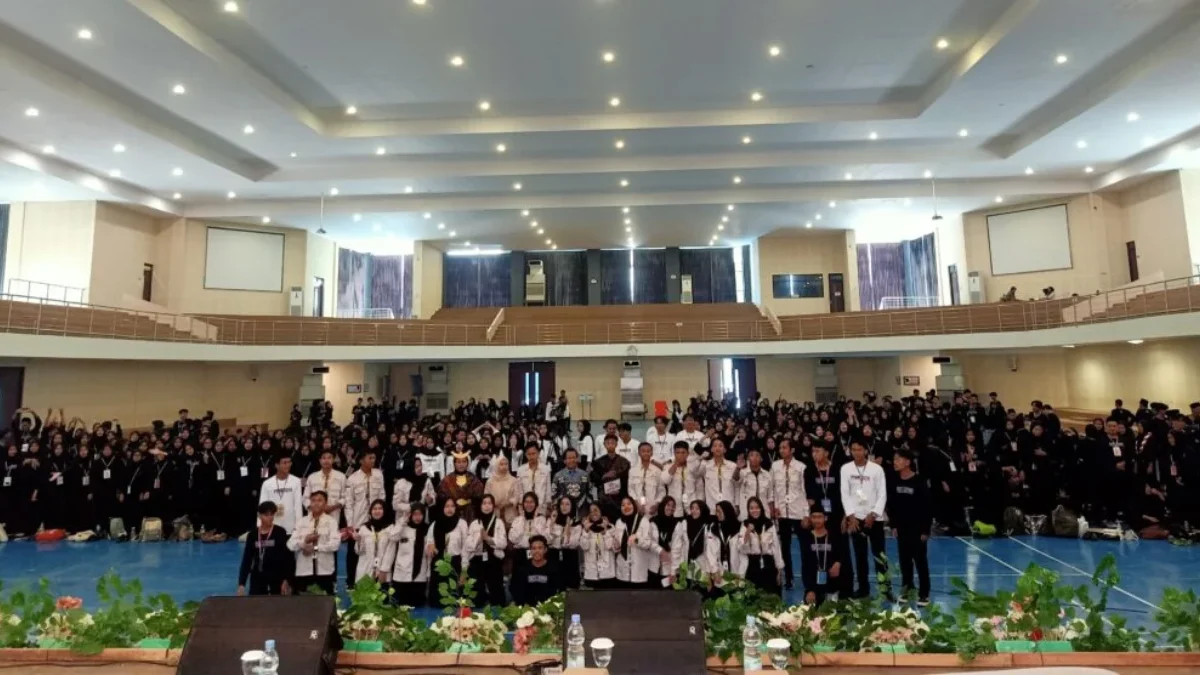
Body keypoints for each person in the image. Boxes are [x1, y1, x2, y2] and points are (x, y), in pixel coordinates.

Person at [840, 440, 890, 599]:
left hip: (874, 518)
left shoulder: (877, 469)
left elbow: (882, 493)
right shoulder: (846, 469)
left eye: (859, 449)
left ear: (866, 450)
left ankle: (885, 589)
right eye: (853, 449)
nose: (856, 452)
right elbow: (845, 493)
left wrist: (874, 514)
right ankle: (863, 588)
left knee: (879, 555)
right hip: (856, 518)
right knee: (860, 556)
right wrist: (850, 516)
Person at [345, 450, 386, 589]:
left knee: (375, 549)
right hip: (358, 520)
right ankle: (351, 581)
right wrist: (350, 524)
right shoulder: (352, 479)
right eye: (370, 458)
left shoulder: (379, 475)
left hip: (376, 518)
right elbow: (349, 503)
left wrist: (381, 514)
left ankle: (375, 578)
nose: (373, 460)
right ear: (361, 460)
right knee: (354, 552)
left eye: (374, 458)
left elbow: (382, 495)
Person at [771, 439, 808, 591]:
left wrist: (806, 514)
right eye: (780, 447)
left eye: (784, 447)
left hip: (798, 512)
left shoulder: (801, 467)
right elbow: (772, 489)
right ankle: (789, 577)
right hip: (782, 513)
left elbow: (805, 491)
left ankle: (807, 576)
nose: (781, 450)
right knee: (784, 547)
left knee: (805, 547)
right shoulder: (775, 466)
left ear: (792, 450)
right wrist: (774, 506)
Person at [288, 490, 340, 595]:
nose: (316, 503)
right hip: (303, 571)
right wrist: (304, 542)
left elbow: (335, 545)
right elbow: (290, 544)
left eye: (320, 500)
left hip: (325, 571)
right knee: (303, 605)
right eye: (313, 500)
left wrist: (315, 548)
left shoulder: (331, 522)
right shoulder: (301, 522)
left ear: (325, 503)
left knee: (326, 606)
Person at [238, 501, 293, 596]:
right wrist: (242, 584)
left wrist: (287, 579)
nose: (270, 518)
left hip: (276, 577)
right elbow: (247, 559)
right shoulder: (253, 535)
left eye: (272, 514)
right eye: (266, 515)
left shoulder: (280, 532)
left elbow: (287, 558)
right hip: (258, 576)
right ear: (259, 515)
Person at [385, 503, 432, 607]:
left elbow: (429, 551)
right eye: (414, 514)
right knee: (399, 605)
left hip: (419, 576)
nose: (417, 517)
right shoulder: (403, 527)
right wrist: (402, 520)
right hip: (402, 574)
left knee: (418, 605)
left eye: (420, 514)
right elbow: (392, 537)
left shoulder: (428, 529)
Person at [466, 494, 508, 607]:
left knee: (497, 599)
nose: (487, 506)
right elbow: (468, 545)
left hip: (494, 559)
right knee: (476, 600)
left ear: (493, 506)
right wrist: (479, 540)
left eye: (489, 503)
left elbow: (503, 543)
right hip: (478, 559)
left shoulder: (499, 522)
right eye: (484, 503)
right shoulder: (474, 524)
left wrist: (488, 539)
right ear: (480, 506)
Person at [427, 496, 469, 606]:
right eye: (446, 506)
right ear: (442, 508)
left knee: (453, 603)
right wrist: (430, 546)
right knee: (437, 602)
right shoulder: (435, 524)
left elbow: (466, 548)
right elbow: (429, 541)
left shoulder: (461, 524)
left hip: (455, 564)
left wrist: (464, 571)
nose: (450, 509)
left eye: (452, 506)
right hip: (439, 564)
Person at [800, 504, 845, 607]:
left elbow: (842, 554)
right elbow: (805, 565)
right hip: (814, 585)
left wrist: (838, 563)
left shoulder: (834, 536)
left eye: (819, 517)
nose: (817, 520)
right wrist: (809, 589)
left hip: (831, 583)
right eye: (814, 517)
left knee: (833, 613)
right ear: (810, 519)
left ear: (825, 518)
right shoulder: (806, 538)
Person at [740, 496, 784, 595]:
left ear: (761, 508)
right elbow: (741, 548)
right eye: (751, 508)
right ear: (748, 510)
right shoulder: (745, 525)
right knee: (753, 599)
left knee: (770, 597)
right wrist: (747, 532)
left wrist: (779, 570)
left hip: (768, 565)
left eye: (757, 507)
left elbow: (776, 547)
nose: (754, 510)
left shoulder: (769, 524)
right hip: (752, 566)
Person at [510, 535, 562, 606]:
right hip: (527, 608)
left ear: (545, 550)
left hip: (548, 607)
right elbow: (515, 589)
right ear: (530, 550)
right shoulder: (522, 568)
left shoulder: (554, 568)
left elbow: (558, 589)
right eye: (534, 548)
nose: (537, 551)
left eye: (540, 548)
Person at [614, 495, 651, 588]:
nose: (626, 507)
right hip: (622, 572)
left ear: (634, 505)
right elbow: (616, 544)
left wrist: (637, 540)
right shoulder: (619, 522)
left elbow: (648, 544)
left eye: (629, 504)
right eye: (623, 505)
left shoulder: (643, 521)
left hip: (638, 572)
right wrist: (615, 546)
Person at [259, 455, 303, 534]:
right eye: (284, 463)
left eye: (289, 462)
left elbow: (298, 505)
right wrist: (260, 526)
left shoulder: (296, 481)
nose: (288, 465)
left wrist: (299, 526)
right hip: (272, 525)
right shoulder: (267, 483)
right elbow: (262, 507)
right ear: (277, 465)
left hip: (291, 525)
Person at [354, 499, 394, 584]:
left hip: (382, 572)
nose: (377, 511)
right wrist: (358, 541)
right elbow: (359, 552)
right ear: (370, 511)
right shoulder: (364, 528)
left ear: (385, 511)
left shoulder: (390, 528)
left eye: (380, 508)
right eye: (374, 509)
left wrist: (383, 570)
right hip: (365, 571)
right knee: (364, 596)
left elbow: (390, 552)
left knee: (381, 596)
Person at [548, 495, 583, 590]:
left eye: (567, 504)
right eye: (562, 504)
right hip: (554, 557)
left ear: (572, 506)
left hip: (570, 559)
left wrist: (567, 528)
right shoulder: (552, 520)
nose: (564, 507)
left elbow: (572, 544)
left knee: (571, 588)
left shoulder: (577, 524)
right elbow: (548, 540)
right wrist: (552, 524)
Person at [438, 452, 485, 521]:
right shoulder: (447, 480)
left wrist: (469, 501)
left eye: (464, 462)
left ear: (467, 463)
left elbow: (479, 496)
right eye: (458, 462)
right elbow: (441, 496)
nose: (461, 464)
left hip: (470, 514)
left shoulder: (474, 479)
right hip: (452, 513)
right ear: (454, 464)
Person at [580, 502, 618, 589]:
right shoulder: (587, 529)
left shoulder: (610, 527)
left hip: (607, 574)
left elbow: (611, 547)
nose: (593, 513)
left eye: (596, 510)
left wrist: (605, 532)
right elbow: (584, 547)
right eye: (591, 511)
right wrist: (585, 531)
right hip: (592, 575)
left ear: (601, 512)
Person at [590, 434, 631, 512]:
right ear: (604, 445)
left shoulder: (624, 462)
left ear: (616, 444)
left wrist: (620, 490)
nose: (610, 445)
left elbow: (627, 480)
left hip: (619, 496)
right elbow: (594, 480)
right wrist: (603, 476)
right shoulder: (598, 462)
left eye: (612, 443)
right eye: (608, 443)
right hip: (603, 498)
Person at [646, 497, 679, 587]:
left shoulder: (676, 524)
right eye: (668, 505)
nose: (671, 508)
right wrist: (660, 550)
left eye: (673, 506)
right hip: (653, 567)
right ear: (662, 505)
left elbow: (676, 548)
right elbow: (648, 541)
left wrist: (673, 572)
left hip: (668, 569)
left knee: (667, 597)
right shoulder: (652, 522)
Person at [392, 457, 437, 522]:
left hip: (421, 518)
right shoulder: (401, 483)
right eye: (416, 466)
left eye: (420, 465)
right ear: (410, 468)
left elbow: (433, 494)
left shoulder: (426, 480)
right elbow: (395, 505)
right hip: (404, 520)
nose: (420, 468)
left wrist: (431, 499)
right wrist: (411, 506)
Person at [552, 448, 591, 518]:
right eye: (569, 458)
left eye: (574, 457)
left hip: (582, 511)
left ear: (577, 459)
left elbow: (590, 491)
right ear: (564, 461)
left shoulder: (585, 474)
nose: (572, 460)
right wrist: (555, 508)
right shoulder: (558, 476)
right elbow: (553, 494)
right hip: (564, 511)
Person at [627, 442, 664, 515]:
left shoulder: (657, 471)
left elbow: (662, 491)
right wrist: (637, 504)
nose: (646, 453)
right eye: (643, 451)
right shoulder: (632, 471)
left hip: (653, 510)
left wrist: (657, 505)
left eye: (648, 451)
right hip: (638, 509)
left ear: (652, 453)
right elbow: (630, 489)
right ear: (639, 453)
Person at [702, 439, 738, 512]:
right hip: (712, 508)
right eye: (715, 446)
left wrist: (737, 505)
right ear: (711, 449)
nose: (717, 448)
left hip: (729, 507)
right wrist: (700, 458)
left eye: (720, 445)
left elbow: (737, 487)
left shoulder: (733, 466)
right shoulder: (705, 465)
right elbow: (694, 472)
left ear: (725, 450)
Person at [483, 456, 519, 524]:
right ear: (496, 466)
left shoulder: (513, 480)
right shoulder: (490, 481)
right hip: (494, 512)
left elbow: (517, 496)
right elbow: (486, 497)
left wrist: (508, 502)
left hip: (510, 513)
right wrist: (494, 503)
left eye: (506, 464)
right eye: (501, 464)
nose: (504, 466)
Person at [517, 444, 551, 515]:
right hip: (526, 507)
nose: (531, 456)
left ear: (538, 453)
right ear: (526, 455)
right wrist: (521, 505)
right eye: (529, 454)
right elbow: (520, 490)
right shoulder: (521, 470)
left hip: (541, 507)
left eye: (533, 453)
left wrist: (548, 506)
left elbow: (548, 490)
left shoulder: (546, 469)